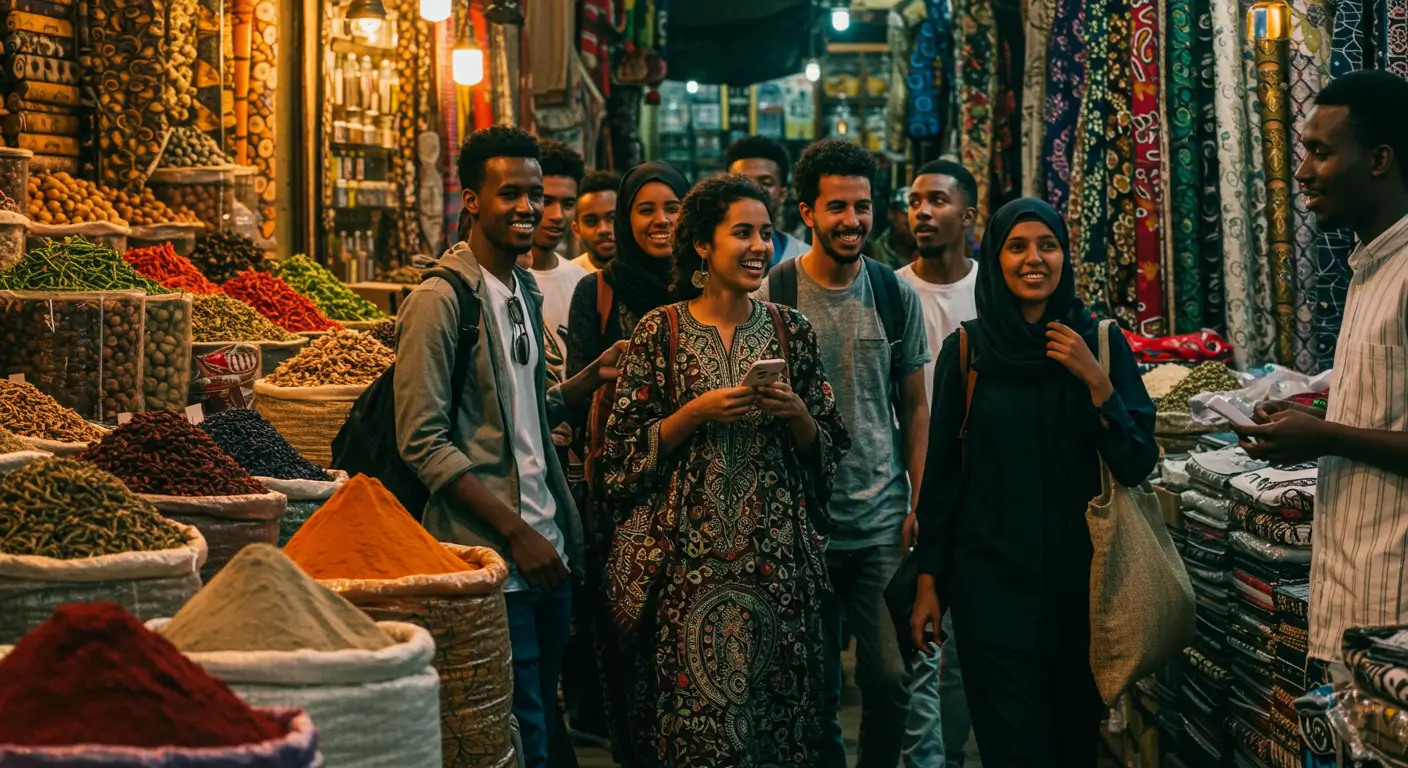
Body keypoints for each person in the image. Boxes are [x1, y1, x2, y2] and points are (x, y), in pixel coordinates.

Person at [393, 126, 626, 768]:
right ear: (471, 200)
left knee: (542, 714)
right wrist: (516, 535)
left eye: (537, 195)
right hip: (491, 554)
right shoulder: (440, 302)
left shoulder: (522, 291)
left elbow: (523, 407)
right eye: (511, 194)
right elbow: (423, 440)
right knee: (518, 727)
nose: (529, 209)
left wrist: (583, 382)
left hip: (549, 542)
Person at [600, 173, 850, 765]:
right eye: (742, 233)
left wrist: (795, 415)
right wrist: (694, 412)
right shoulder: (657, 332)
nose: (759, 246)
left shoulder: (793, 331)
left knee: (776, 727)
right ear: (704, 247)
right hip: (684, 575)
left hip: (776, 571)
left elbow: (830, 450)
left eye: (766, 233)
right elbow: (620, 458)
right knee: (694, 736)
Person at [909, 198, 1157, 768]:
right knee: (1013, 752)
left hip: (1083, 593)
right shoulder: (968, 351)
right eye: (1016, 247)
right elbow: (943, 478)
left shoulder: (1098, 341)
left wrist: (1096, 382)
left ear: (1065, 256)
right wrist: (928, 582)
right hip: (991, 593)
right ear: (994, 260)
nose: (1033, 260)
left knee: (1073, 750)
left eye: (1047, 246)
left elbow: (1139, 460)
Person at [756, 139, 931, 768]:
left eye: (862, 207)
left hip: (882, 521)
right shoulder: (774, 294)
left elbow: (913, 404)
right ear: (806, 212)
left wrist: (920, 497)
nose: (852, 221)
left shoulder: (890, 292)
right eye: (836, 207)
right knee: (813, 689)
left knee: (889, 679)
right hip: (800, 524)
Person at [1232, 70, 1408, 680]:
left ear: (1380, 159)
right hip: (1352, 596)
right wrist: (1313, 421)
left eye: (1321, 152)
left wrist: (1325, 437)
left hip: (1395, 623)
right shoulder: (1368, 269)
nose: (1301, 172)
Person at [564, 161, 690, 765]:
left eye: (672, 207)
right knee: (626, 627)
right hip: (624, 488)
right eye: (646, 209)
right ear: (626, 217)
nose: (660, 220)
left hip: (698, 486)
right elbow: (579, 384)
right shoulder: (600, 289)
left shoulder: (706, 280)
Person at [896, 160, 979, 768]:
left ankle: (949, 752)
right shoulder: (891, 289)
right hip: (905, 489)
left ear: (968, 215)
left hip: (979, 489)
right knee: (920, 638)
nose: (923, 211)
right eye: (915, 200)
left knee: (968, 636)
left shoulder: (993, 290)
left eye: (938, 201)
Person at [529, 139, 591, 347]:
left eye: (568, 204)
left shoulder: (581, 283)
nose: (558, 216)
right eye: (546, 202)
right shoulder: (499, 281)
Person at [726, 135, 809, 267]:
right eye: (742, 181)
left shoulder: (804, 259)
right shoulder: (707, 253)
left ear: (782, 194)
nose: (753, 189)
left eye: (765, 183)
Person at [572, 171, 620, 273]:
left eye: (612, 218)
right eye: (591, 221)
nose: (603, 229)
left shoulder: (651, 276)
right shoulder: (568, 278)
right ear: (577, 230)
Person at [869, 187, 919, 270]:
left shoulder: (932, 255)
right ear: (891, 214)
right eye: (907, 214)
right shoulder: (873, 254)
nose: (913, 223)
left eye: (917, 217)